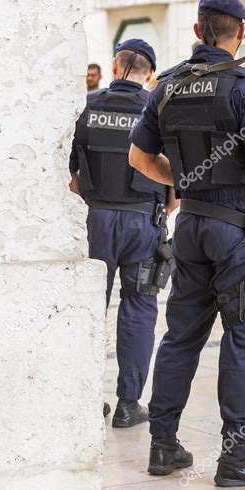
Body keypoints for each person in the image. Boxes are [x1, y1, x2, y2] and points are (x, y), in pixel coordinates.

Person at [129, 0, 245, 487]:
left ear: (199, 31)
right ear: (238, 33)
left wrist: (183, 180)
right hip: (237, 228)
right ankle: (236, 455)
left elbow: (139, 159)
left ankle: (163, 446)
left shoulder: (168, 85)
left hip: (191, 227)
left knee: (181, 335)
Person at [69, 39, 177, 428]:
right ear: (149, 73)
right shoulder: (157, 110)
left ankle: (82, 397)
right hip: (143, 222)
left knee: (87, 308)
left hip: (95, 221)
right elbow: (176, 186)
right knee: (139, 310)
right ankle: (129, 404)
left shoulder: (86, 106)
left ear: (116, 66)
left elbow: (70, 176)